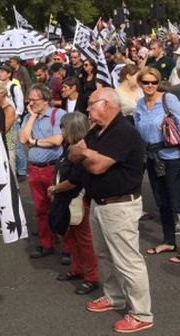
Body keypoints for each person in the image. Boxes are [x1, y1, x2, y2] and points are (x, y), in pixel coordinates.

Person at [68, 88, 153, 334]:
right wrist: (86, 152)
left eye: (92, 104)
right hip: (99, 203)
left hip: (120, 205)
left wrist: (85, 153)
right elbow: (73, 151)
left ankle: (141, 314)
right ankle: (114, 296)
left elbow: (96, 167)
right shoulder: (97, 130)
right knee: (104, 255)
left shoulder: (124, 132)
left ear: (107, 104)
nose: (87, 109)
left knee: (128, 261)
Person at [48, 112, 99, 295]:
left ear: (71, 128)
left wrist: (55, 189)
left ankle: (92, 277)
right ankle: (77, 269)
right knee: (74, 237)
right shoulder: (70, 147)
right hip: (69, 199)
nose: (60, 130)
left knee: (85, 240)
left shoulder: (79, 150)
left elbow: (76, 179)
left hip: (79, 199)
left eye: (63, 126)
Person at [134, 68, 180, 258]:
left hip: (172, 157)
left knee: (176, 201)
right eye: (146, 82)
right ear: (140, 83)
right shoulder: (140, 103)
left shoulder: (168, 99)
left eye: (153, 82)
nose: (150, 86)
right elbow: (138, 130)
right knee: (162, 201)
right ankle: (169, 241)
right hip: (152, 158)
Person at [19, 84, 65, 259]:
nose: (30, 103)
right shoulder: (28, 117)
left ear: (45, 100)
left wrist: (36, 142)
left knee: (60, 208)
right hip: (34, 169)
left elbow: (57, 140)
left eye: (34, 100)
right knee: (41, 209)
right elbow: (23, 139)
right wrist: (31, 117)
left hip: (52, 168)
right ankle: (47, 243)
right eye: (29, 99)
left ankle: (68, 247)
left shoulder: (58, 115)